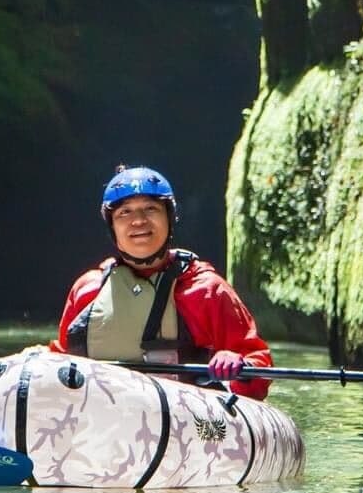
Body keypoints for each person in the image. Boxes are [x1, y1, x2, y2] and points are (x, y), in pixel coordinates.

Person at [48, 165, 273, 399]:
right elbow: (61, 359)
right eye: (125, 212)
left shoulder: (207, 290)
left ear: (169, 218)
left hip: (184, 422)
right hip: (99, 422)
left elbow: (258, 362)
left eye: (150, 209)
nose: (138, 221)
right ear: (112, 226)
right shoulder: (88, 289)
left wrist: (238, 363)